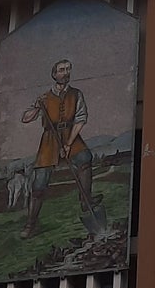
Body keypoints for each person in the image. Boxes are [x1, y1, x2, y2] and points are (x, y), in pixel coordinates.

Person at [20, 58, 103, 239]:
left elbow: (80, 119)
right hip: (50, 138)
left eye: (67, 69)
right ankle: (31, 224)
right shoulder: (44, 97)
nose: (65, 73)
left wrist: (68, 144)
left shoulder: (76, 94)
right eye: (61, 70)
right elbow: (26, 118)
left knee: (84, 157)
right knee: (39, 182)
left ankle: (85, 200)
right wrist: (36, 107)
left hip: (69, 134)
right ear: (54, 74)